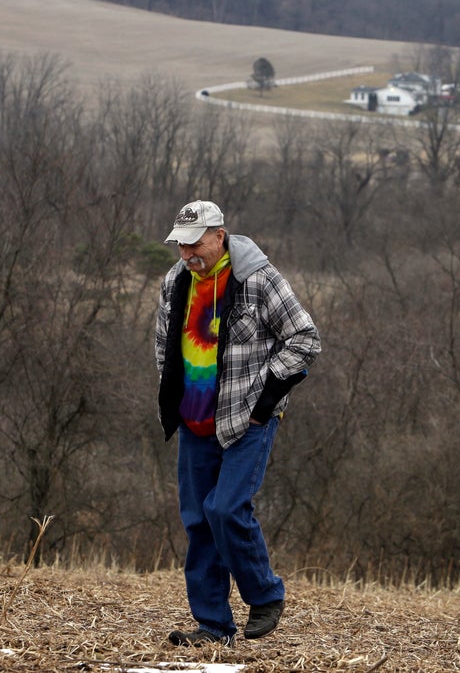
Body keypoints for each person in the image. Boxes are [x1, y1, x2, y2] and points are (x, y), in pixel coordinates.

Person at [155, 199, 321, 646]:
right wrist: (173, 395)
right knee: (198, 523)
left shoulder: (258, 279)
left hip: (248, 419)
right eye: (180, 245)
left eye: (195, 244)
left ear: (219, 236)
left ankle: (265, 594)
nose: (188, 254)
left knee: (225, 509)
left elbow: (305, 338)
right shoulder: (175, 281)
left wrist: (266, 399)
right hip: (195, 423)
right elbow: (163, 343)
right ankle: (213, 626)